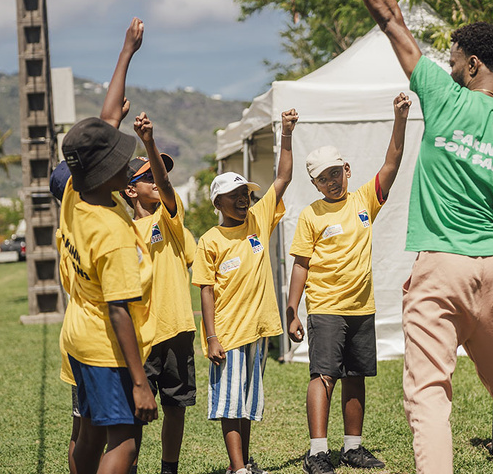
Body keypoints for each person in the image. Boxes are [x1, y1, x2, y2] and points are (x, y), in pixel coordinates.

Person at [333, 0, 493, 474]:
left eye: (452, 59)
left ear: (473, 63)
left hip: (440, 269)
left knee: (429, 395)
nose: (446, 66)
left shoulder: (443, 97)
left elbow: (390, 17)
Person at [286, 94, 410, 474]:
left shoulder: (364, 200)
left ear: (347, 169)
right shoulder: (311, 215)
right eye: (323, 178)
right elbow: (301, 265)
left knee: (356, 377)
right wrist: (292, 311)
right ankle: (317, 453)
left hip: (362, 307)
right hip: (324, 307)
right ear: (314, 182)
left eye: (335, 173)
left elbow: (393, 161)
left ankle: (352, 449)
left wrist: (399, 118)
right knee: (323, 375)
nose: (331, 181)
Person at [192, 109, 298, 474]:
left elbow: (283, 177)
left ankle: (245, 464)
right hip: (228, 334)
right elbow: (206, 291)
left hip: (257, 331)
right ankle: (237, 469)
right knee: (229, 404)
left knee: (248, 403)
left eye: (245, 194)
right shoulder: (209, 241)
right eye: (234, 195)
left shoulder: (257, 220)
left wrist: (286, 132)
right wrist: (211, 337)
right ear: (217, 203)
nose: (243, 199)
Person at [57, 116, 157, 474]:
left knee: (90, 431)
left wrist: (126, 56)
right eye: (120, 162)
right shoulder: (113, 234)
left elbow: (106, 116)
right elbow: (118, 310)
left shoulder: (73, 191)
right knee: (125, 443)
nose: (128, 167)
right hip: (105, 347)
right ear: (103, 172)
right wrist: (140, 383)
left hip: (77, 337)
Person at [122, 112, 198, 474]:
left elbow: (167, 188)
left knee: (175, 406)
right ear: (129, 189)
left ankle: (170, 469)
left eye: (158, 174)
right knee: (134, 411)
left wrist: (149, 143)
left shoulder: (168, 218)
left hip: (176, 326)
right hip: (138, 335)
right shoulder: (119, 229)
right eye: (146, 177)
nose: (156, 180)